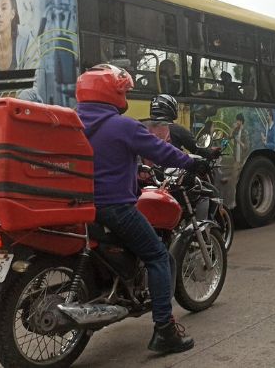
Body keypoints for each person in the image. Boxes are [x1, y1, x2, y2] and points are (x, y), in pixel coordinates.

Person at [76, 64, 209, 355]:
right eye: (124, 92)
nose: (125, 97)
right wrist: (192, 162)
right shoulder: (123, 125)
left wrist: (135, 171)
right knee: (159, 257)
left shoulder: (71, 121)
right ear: (112, 93)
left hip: (77, 207)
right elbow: (161, 151)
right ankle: (164, 330)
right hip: (114, 207)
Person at [149, 94, 223, 160]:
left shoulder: (143, 127)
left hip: (147, 169)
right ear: (171, 109)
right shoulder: (177, 130)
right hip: (170, 168)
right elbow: (196, 148)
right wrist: (211, 152)